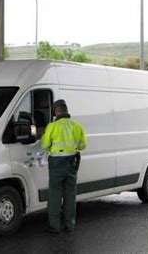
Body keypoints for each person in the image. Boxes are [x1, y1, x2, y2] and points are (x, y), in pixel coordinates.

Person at [41, 99, 87, 233]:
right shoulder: (77, 126)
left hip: (56, 164)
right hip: (72, 163)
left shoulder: (52, 126)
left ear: (56, 111)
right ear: (66, 110)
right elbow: (83, 146)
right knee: (70, 194)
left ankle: (55, 225)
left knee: (55, 194)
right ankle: (69, 225)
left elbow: (44, 145)